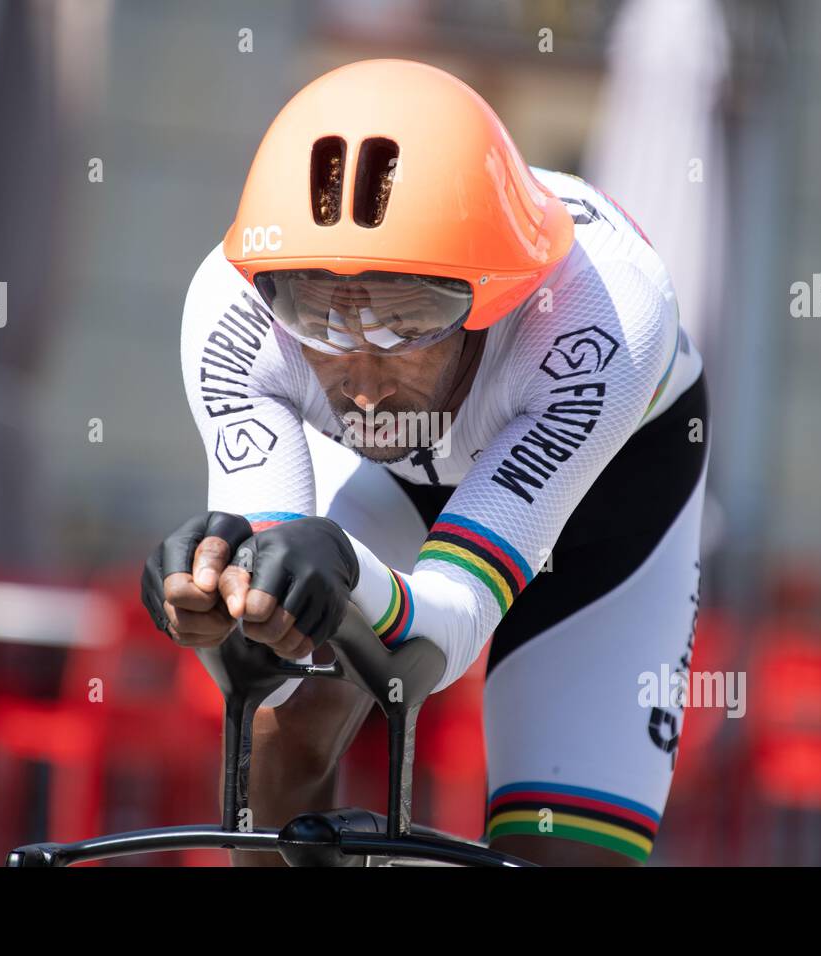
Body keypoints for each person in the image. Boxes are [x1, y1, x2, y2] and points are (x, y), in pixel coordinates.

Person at [141, 59, 708, 866]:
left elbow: (447, 631)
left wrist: (338, 565)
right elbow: (271, 626)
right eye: (320, 321)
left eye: (408, 322)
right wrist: (215, 593)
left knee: (561, 851)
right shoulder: (232, 309)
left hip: (616, 492)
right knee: (281, 726)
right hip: (404, 483)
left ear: (497, 297)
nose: (362, 383)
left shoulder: (606, 315)